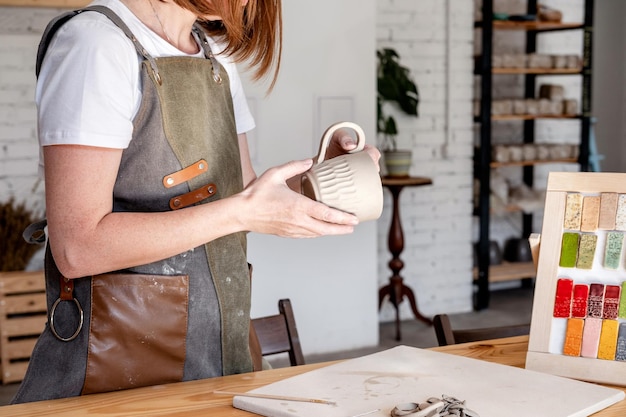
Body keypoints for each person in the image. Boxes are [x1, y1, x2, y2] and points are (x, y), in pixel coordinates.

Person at [12, 0, 380, 403]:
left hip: (221, 349)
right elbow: (77, 247)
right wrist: (242, 212)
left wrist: (323, 177)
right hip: (117, 373)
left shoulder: (215, 55)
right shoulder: (96, 44)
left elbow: (244, 194)